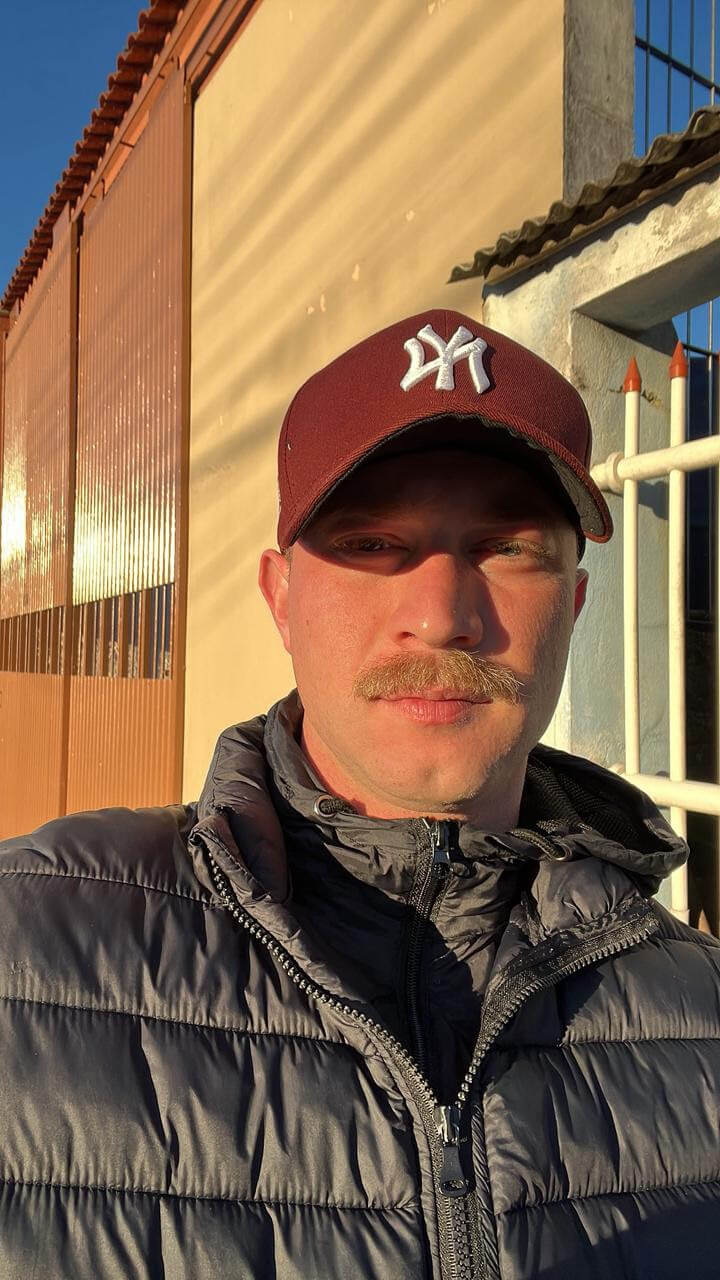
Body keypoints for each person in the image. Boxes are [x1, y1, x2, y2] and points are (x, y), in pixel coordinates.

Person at [1, 308, 719, 1280]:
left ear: (576, 604)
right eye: (373, 543)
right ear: (280, 599)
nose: (442, 615)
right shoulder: (27, 949)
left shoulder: (703, 1014)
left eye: (509, 547)